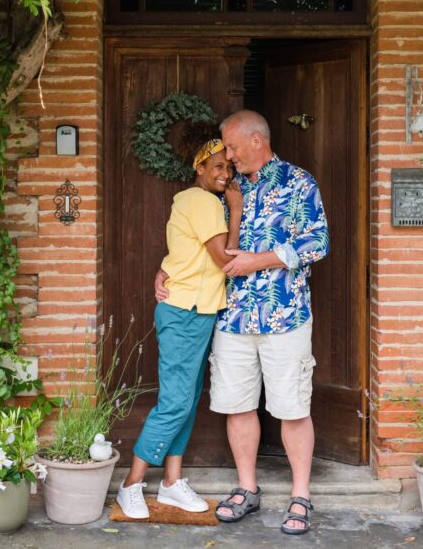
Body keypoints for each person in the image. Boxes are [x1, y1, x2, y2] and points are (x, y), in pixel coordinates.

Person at [155, 110, 329, 536]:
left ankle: (301, 495)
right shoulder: (223, 190)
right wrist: (166, 271)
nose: (227, 156)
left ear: (256, 140)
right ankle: (247, 488)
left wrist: (260, 261)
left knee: (292, 407)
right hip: (232, 315)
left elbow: (317, 240)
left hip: (285, 314)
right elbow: (195, 244)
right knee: (238, 404)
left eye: (231, 147)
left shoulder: (298, 182)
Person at [116, 126, 243, 519]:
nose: (225, 174)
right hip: (186, 312)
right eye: (218, 166)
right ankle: (131, 485)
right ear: (200, 168)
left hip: (195, 310)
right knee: (175, 401)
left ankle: (171, 483)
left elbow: (189, 256)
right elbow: (227, 260)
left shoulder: (194, 200)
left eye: (229, 168)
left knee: (186, 400)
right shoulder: (205, 202)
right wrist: (236, 210)